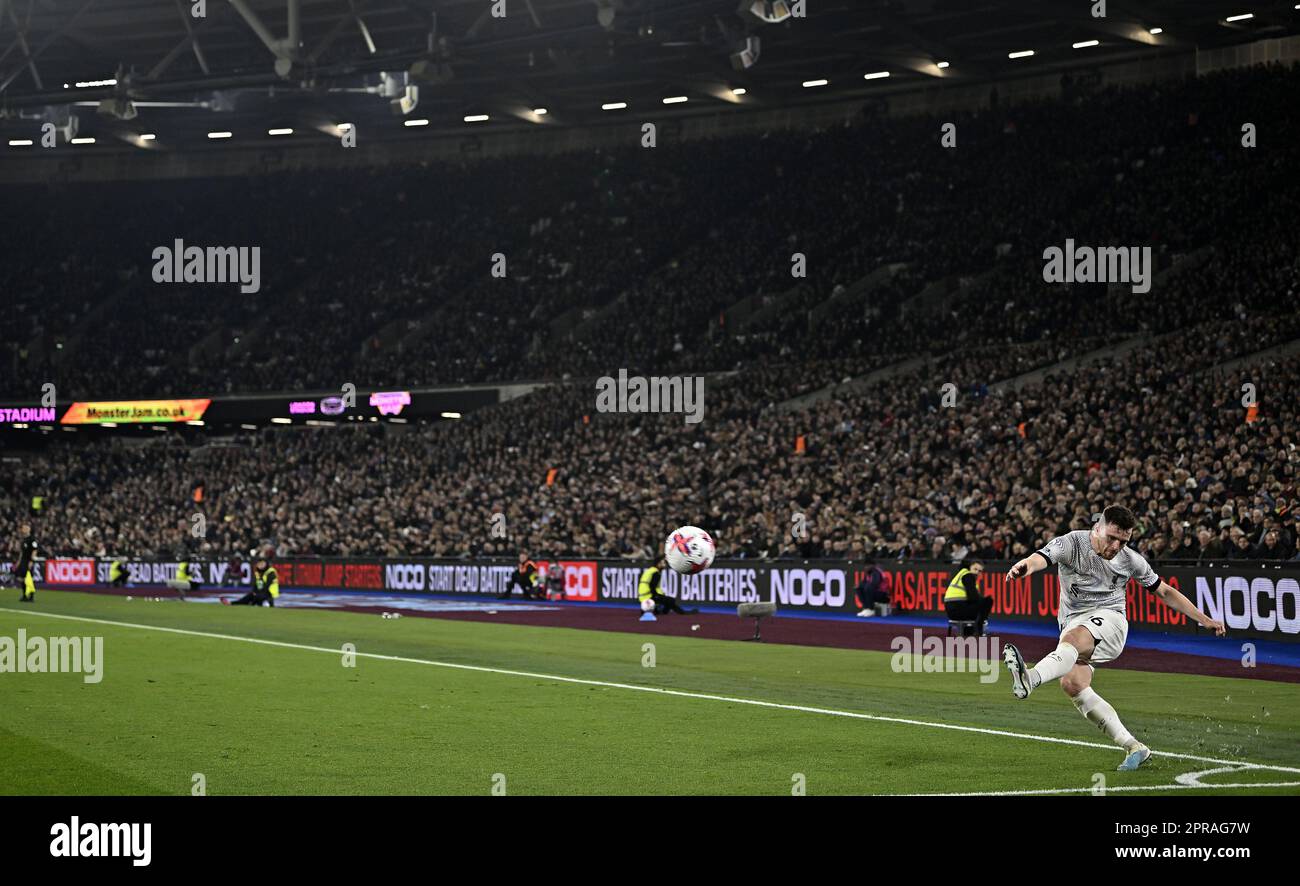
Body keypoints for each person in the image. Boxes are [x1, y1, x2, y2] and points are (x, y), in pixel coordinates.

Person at [1001, 505, 1225, 771]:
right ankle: (1134, 747)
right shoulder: (1072, 542)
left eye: (1124, 541)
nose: (1117, 545)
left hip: (1111, 621)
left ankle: (1031, 678)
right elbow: (1041, 558)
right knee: (1073, 683)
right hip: (1075, 622)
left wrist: (1205, 620)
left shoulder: (1131, 560)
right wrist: (1024, 566)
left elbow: (1164, 592)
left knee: (1072, 639)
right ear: (1098, 528)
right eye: (1112, 538)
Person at [943, 559, 991, 635]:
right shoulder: (968, 576)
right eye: (975, 569)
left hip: (951, 610)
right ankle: (979, 627)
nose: (977, 572)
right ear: (970, 567)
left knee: (976, 604)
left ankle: (969, 630)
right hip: (958, 609)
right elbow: (973, 598)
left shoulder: (961, 573)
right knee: (988, 601)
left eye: (979, 571)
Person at [11, 522, 37, 602]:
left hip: (28, 561)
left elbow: (34, 551)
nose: (24, 529)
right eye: (23, 528)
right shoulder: (24, 540)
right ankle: (25, 595)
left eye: (26, 528)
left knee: (29, 579)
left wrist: (31, 561)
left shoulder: (32, 539)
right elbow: (22, 552)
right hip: (23, 561)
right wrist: (18, 562)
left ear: (29, 529)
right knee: (21, 578)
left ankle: (31, 597)